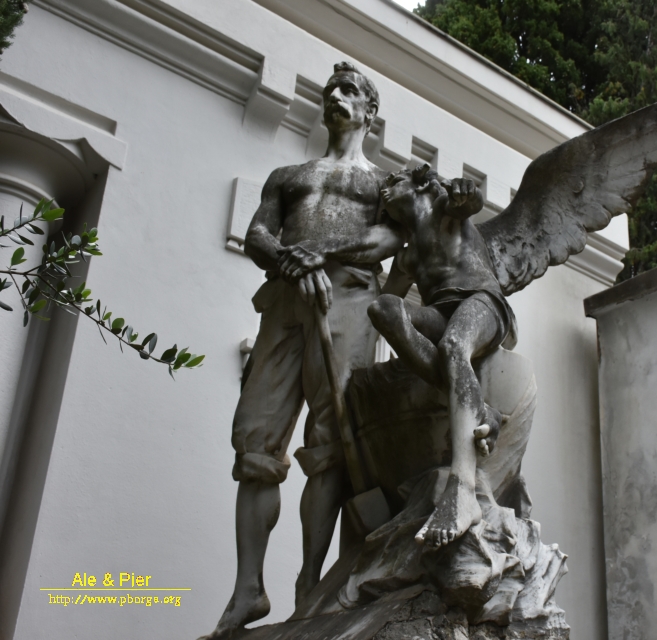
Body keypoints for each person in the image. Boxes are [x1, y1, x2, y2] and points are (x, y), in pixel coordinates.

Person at [203, 62, 403, 639]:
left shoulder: (381, 184)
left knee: (332, 443)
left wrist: (322, 252)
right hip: (287, 302)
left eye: (350, 91)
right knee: (256, 439)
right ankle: (248, 590)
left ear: (370, 113)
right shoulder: (288, 175)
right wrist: (294, 258)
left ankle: (311, 587)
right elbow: (259, 234)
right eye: (331, 90)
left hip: (347, 302)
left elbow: (391, 237)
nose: (336, 96)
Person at [367, 163, 515, 550]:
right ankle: (484, 411)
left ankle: (462, 489)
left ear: (419, 184)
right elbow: (386, 296)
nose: (385, 189)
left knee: (454, 346)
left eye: (392, 181)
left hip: (481, 304)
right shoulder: (408, 256)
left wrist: (466, 193)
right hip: (438, 314)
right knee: (383, 309)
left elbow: (470, 201)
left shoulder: (446, 211)